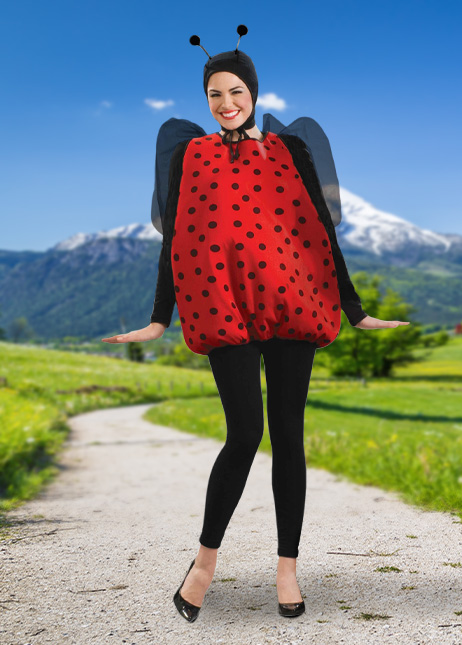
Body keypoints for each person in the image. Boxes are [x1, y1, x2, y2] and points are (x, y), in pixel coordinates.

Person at [102, 25, 410, 622]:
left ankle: (287, 569)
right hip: (225, 309)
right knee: (245, 434)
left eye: (235, 91)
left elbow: (320, 229)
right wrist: (157, 319)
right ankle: (205, 562)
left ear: (253, 91)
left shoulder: (288, 151)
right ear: (206, 100)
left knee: (288, 438)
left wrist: (354, 309)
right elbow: (178, 242)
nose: (225, 104)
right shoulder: (191, 156)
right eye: (214, 94)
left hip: (294, 306)